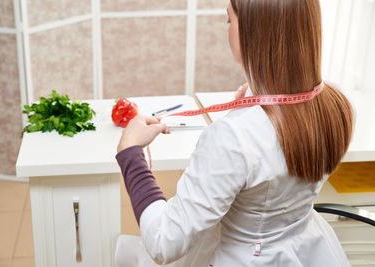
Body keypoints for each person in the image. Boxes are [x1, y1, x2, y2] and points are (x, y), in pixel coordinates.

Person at [115, 0, 354, 266]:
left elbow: (163, 241)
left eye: (229, 20)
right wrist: (255, 98)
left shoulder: (232, 137)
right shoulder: (336, 103)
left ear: (253, 34)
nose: (227, 28)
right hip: (309, 248)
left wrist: (131, 153)